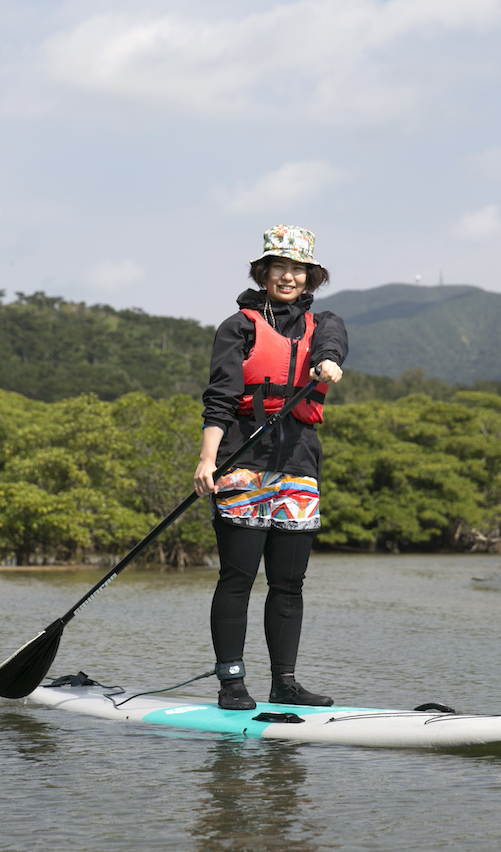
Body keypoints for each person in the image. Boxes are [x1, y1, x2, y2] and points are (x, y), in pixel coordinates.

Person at [193, 225, 348, 711]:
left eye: (297, 269)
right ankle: (232, 683)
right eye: (279, 267)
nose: (288, 276)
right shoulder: (237, 326)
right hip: (243, 460)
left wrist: (327, 364)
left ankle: (285, 682)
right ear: (264, 272)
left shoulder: (325, 324)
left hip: (298, 462)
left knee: (288, 583)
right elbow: (219, 398)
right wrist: (207, 459)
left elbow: (331, 349)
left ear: (310, 278)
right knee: (237, 579)